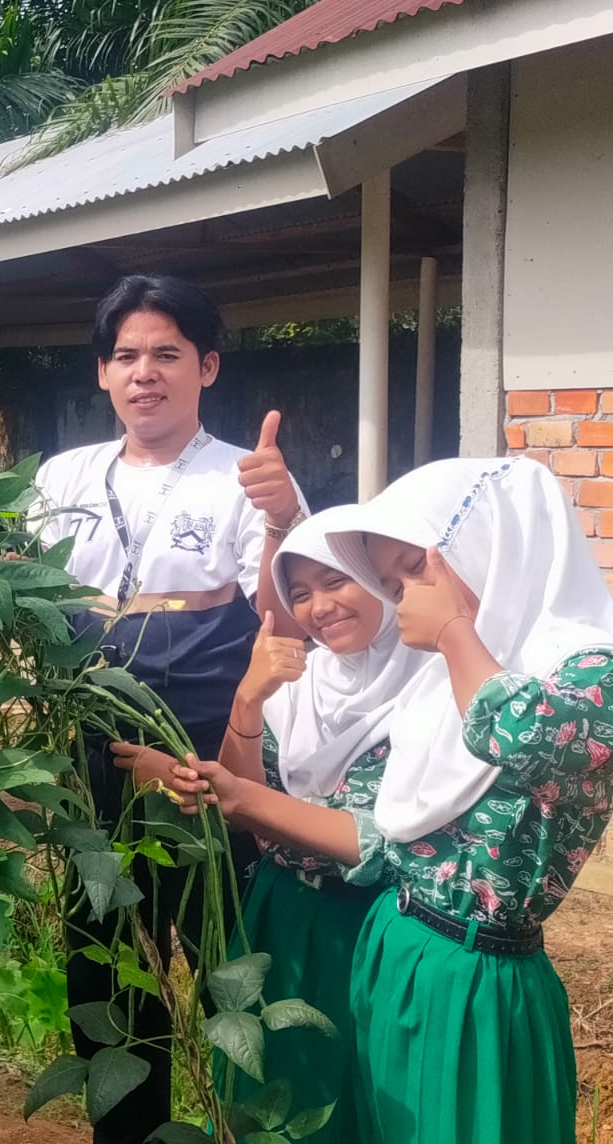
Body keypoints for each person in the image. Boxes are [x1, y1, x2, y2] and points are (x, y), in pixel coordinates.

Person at [172, 457, 613, 1144]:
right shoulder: (439, 684)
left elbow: (522, 740)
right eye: (393, 581)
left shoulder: (583, 668)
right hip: (396, 944)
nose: (403, 597)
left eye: (412, 572)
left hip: (476, 972)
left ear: (487, 544)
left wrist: (453, 632)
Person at [31, 273, 305, 1144]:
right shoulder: (62, 475)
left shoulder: (244, 475)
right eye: (125, 356)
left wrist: (280, 518)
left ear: (207, 366)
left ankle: (252, 1123)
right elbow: (27, 600)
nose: (144, 372)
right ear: (103, 374)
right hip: (90, 743)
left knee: (222, 935)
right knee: (104, 949)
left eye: (166, 354)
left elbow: (282, 615)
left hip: (200, 743)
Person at [114, 506, 427, 1141]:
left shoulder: (429, 688)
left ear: (380, 581)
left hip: (370, 926)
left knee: (358, 1097)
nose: (320, 608)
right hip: (279, 915)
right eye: (301, 593)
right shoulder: (300, 681)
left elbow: (376, 840)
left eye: (337, 581)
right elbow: (248, 805)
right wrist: (247, 699)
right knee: (272, 1095)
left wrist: (227, 793)